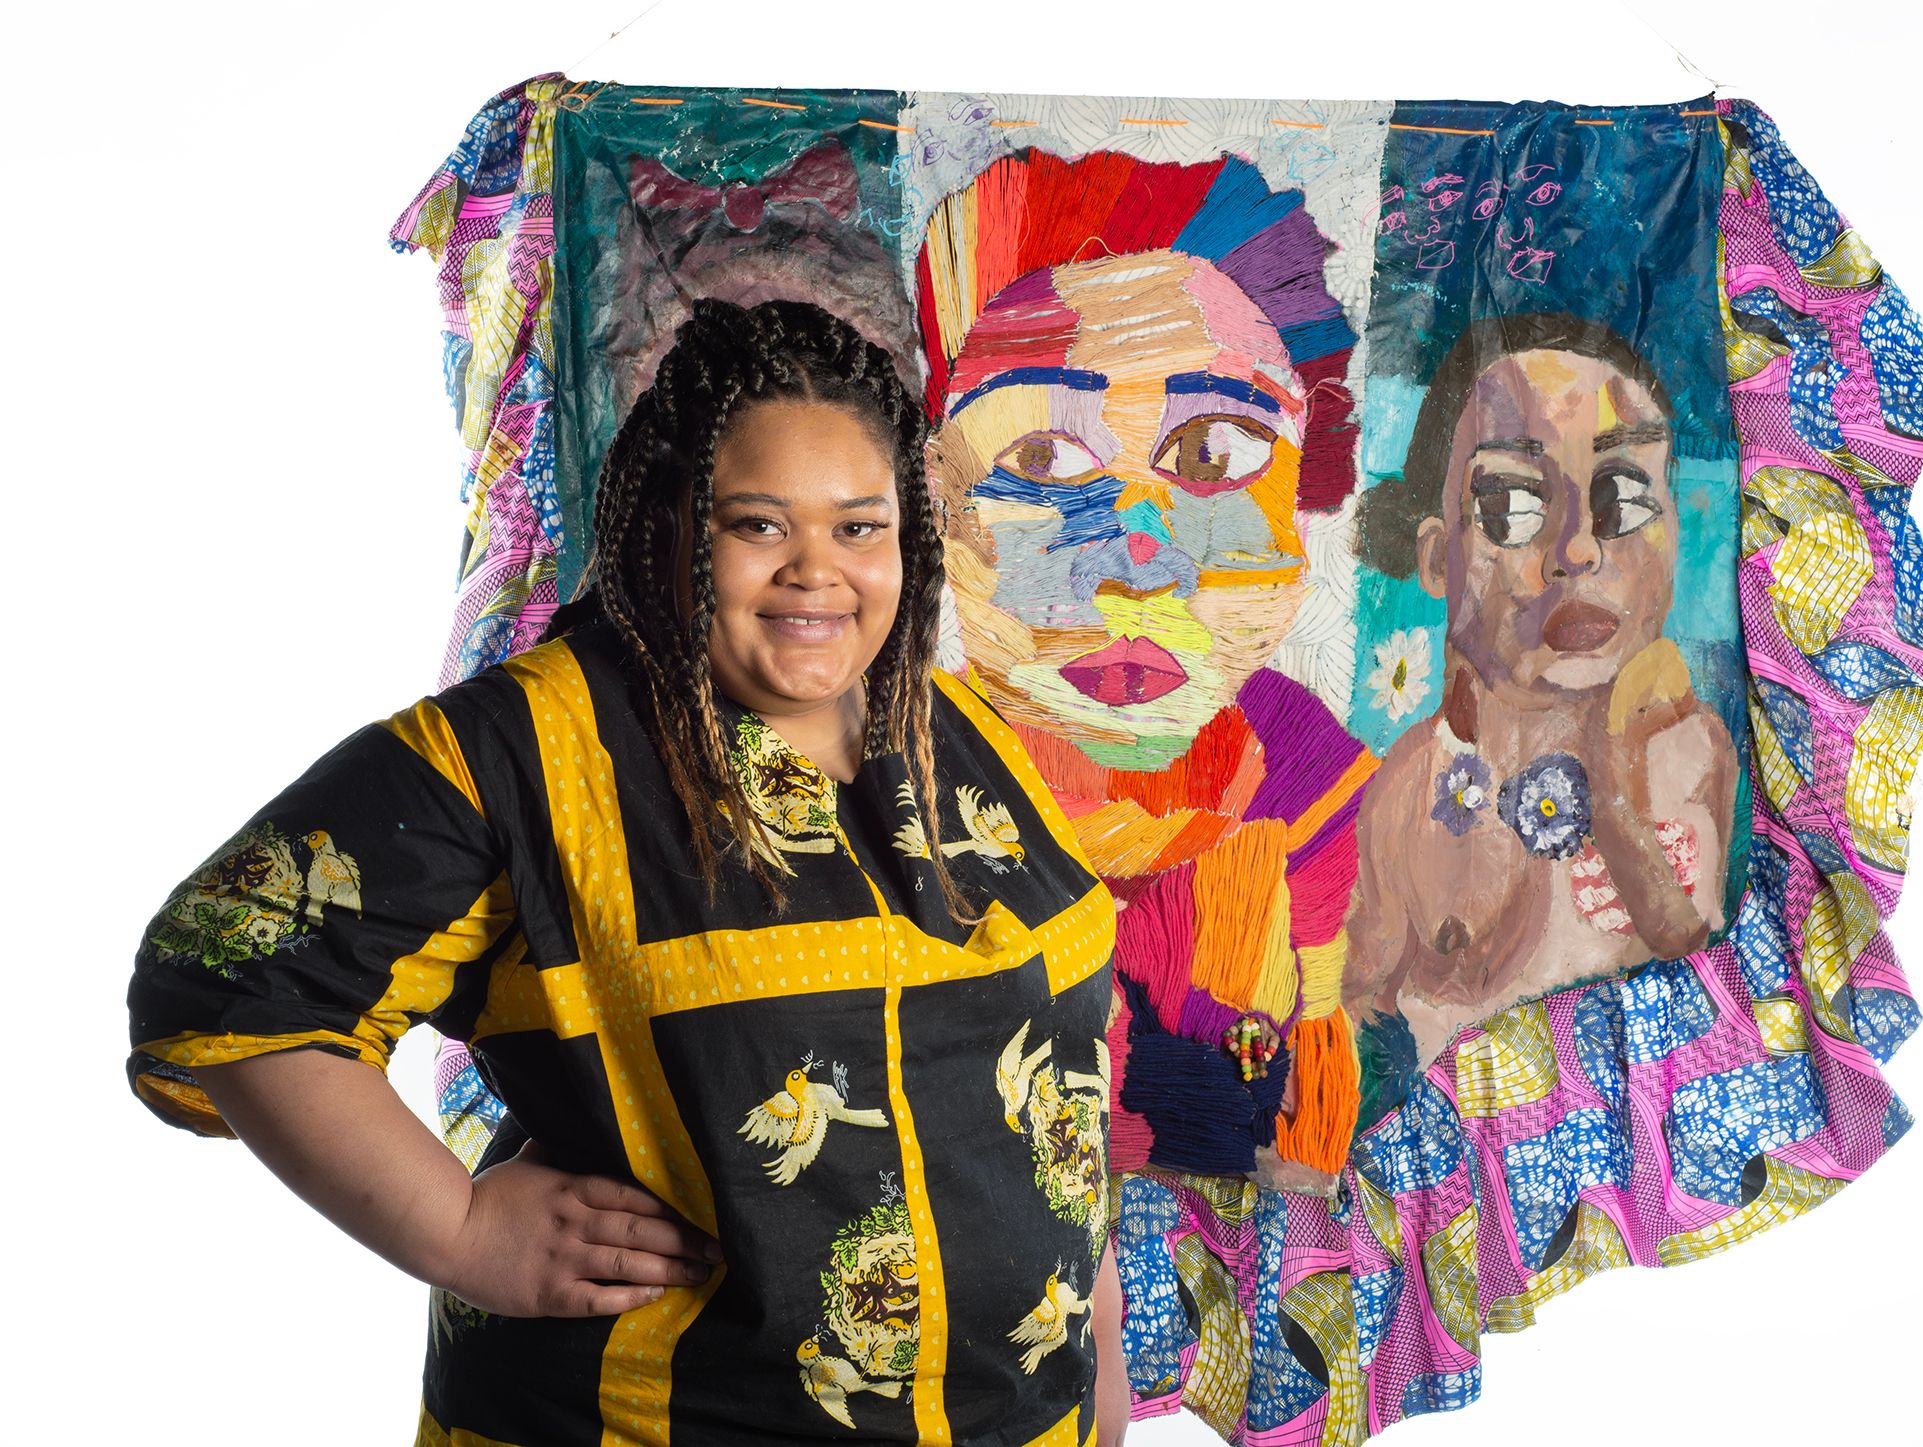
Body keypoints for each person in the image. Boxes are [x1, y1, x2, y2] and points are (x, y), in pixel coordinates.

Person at [127, 298, 1128, 1445]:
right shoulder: (522, 751)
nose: (820, 573)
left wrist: (1094, 1353)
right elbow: (226, 973)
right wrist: (456, 1230)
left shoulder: (950, 724)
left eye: (859, 528)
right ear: (666, 527)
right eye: (758, 525)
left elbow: (1062, 1064)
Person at [915, 149, 1373, 1197]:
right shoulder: (884, 780)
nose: (1136, 561)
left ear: (1300, 506)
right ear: (940, 503)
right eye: (1043, 459)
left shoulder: (1303, 791)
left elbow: (1304, 1163)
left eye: (1213, 455)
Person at [1342, 311, 1739, 1068]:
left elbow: (1709, 995)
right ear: (1438, 559)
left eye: (1622, 497)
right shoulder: (1400, 801)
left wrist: (1618, 799)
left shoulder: (1693, 755)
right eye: (1516, 507)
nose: (1579, 549)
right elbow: (1351, 1029)